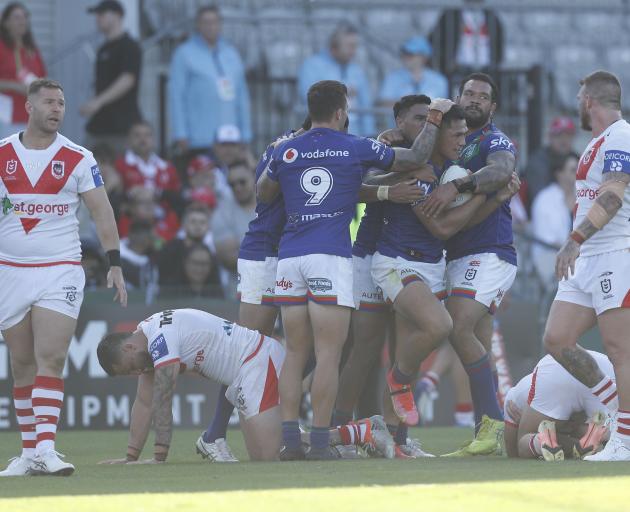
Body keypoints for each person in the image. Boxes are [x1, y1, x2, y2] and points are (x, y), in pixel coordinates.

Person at [257, 79, 454, 460]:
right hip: (328, 256)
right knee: (329, 354)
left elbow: (265, 193)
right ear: (340, 112)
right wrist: (434, 116)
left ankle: (289, 442)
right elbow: (413, 159)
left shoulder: (286, 149)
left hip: (290, 255)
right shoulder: (352, 145)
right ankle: (319, 442)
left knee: (296, 352)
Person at [372, 103, 519, 454]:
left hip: (433, 267)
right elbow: (441, 227)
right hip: (397, 261)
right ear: (437, 136)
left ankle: (399, 442)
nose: (462, 140)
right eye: (455, 134)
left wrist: (490, 195)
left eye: (465, 134)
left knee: (419, 345)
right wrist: (490, 195)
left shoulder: (452, 173)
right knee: (440, 327)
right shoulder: (416, 171)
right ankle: (399, 382)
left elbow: (460, 222)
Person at [0, 79, 126, 477]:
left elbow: (102, 212)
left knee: (50, 359)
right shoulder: (3, 153)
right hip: (10, 272)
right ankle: (28, 452)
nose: (57, 108)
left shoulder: (78, 157)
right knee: (21, 366)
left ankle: (48, 449)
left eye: (62, 103)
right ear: (29, 107)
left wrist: (115, 263)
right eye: (49, 102)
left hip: (60, 271)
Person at [95, 309, 394, 462]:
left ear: (128, 349)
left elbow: (161, 399)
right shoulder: (149, 342)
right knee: (273, 452)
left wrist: (158, 458)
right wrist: (130, 457)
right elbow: (144, 402)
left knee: (268, 456)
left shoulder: (160, 338)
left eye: (129, 370)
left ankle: (362, 433)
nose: (136, 374)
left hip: (256, 361)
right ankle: (361, 432)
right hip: (245, 371)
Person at [418, 73, 518, 457]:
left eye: (483, 96)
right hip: (456, 254)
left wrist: (456, 187)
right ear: (457, 98)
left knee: (458, 328)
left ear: (492, 107)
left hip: (490, 251)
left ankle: (492, 422)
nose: (474, 99)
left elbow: (502, 170)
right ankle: (490, 433)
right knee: (475, 336)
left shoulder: (495, 140)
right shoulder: (450, 142)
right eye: (468, 93)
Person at [542, 70, 630, 461]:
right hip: (589, 257)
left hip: (615, 253)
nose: (577, 103)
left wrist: (573, 239)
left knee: (620, 351)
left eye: (580, 97)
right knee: (557, 339)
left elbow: (612, 197)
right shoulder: (596, 142)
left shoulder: (622, 136)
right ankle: (615, 411)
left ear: (590, 101)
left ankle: (625, 442)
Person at [169, 5, 251, 154]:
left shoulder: (231, 53)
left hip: (230, 138)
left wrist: (245, 133)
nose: (210, 27)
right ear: (198, 25)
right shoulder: (184, 54)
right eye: (205, 22)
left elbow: (242, 96)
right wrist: (180, 133)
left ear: (220, 25)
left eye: (214, 22)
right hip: (199, 138)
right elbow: (177, 96)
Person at [503, 351, 612, 461]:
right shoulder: (522, 393)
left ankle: (540, 441)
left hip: (554, 371)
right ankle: (603, 436)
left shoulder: (515, 398)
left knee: (523, 444)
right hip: (602, 369)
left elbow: (515, 454)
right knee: (616, 435)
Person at [81, 0, 142, 151]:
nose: (97, 18)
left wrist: (98, 102)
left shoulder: (130, 46)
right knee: (85, 169)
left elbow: (128, 79)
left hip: (121, 127)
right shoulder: (103, 49)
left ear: (117, 16)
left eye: (101, 14)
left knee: (120, 171)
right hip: (99, 125)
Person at [298, 23, 375, 136]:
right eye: (350, 46)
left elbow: (366, 105)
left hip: (354, 137)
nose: (354, 51)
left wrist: (369, 135)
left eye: (355, 46)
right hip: (322, 136)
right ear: (334, 47)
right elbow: (308, 98)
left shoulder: (356, 70)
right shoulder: (312, 66)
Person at [115, 121, 183, 216]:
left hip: (165, 223)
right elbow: (112, 198)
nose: (143, 139)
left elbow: (178, 198)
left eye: (147, 135)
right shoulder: (119, 165)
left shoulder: (167, 167)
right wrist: (130, 194)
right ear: (129, 139)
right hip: (130, 221)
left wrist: (158, 193)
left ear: (154, 139)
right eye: (137, 135)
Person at [530, 153, 578, 285]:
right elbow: (548, 241)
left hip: (576, 257)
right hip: (549, 258)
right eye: (573, 169)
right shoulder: (545, 199)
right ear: (559, 173)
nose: (579, 173)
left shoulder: (582, 197)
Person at [0, 2, 46, 138]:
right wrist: (15, 86)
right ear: (6, 22)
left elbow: (42, 76)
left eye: (25, 17)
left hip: (31, 117)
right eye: (17, 17)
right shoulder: (1, 47)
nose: (22, 21)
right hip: (6, 117)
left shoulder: (31, 49)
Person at [429, 6, 504, 76]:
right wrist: (446, 62)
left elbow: (499, 42)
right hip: (458, 71)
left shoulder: (491, 16)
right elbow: (435, 39)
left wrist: (495, 64)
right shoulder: (451, 14)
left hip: (487, 71)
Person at [211, 161, 257, 274]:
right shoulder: (221, 213)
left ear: (255, 179)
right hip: (241, 287)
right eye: (232, 184)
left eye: (242, 182)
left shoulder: (273, 206)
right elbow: (229, 258)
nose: (237, 187)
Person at [379, 37, 448, 110]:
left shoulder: (439, 80)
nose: (406, 57)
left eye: (411, 54)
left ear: (424, 57)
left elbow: (444, 107)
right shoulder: (392, 78)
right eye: (404, 53)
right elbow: (383, 103)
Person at [523, 116, 577, 209]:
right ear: (550, 137)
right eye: (559, 135)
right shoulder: (537, 161)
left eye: (568, 135)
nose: (564, 140)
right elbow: (541, 199)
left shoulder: (576, 158)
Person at [158, 205, 212, 287]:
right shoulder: (169, 250)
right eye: (193, 221)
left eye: (202, 222)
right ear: (184, 225)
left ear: (208, 227)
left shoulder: (211, 252)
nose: (198, 226)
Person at [120, 220, 159, 292]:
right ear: (134, 235)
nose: (154, 238)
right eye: (149, 235)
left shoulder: (152, 258)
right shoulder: (113, 256)